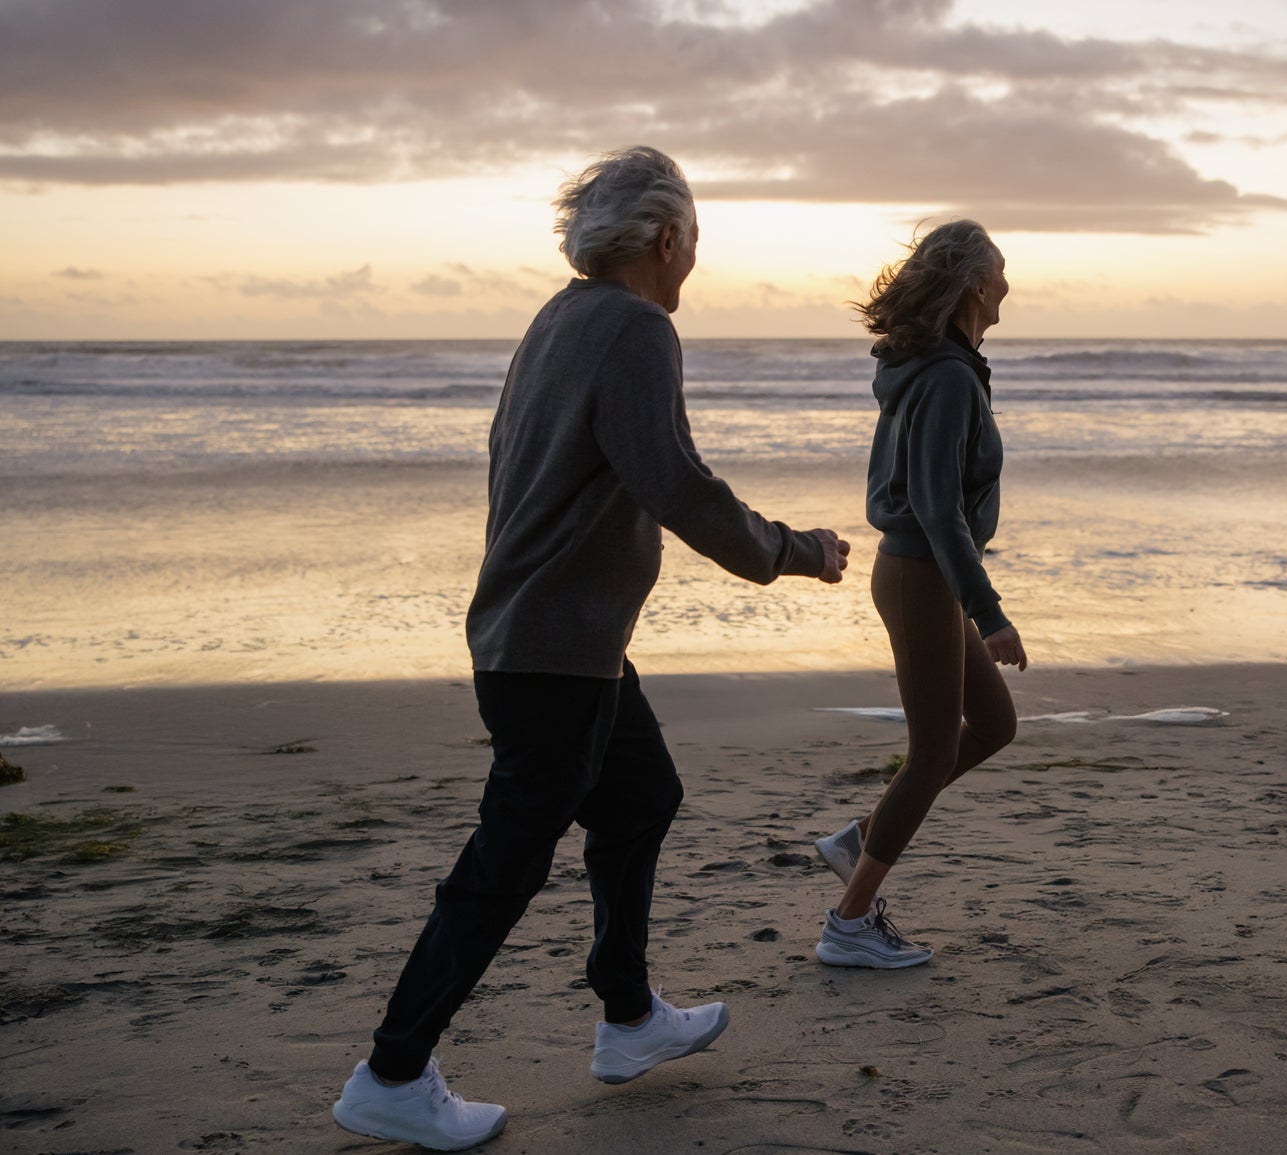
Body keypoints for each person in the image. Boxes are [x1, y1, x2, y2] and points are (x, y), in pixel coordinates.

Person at [332, 146, 850, 1150]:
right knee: (506, 861)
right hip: (552, 651)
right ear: (666, 240)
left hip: (559, 641)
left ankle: (627, 1017)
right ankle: (393, 1072)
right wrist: (792, 551)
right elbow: (677, 483)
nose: (692, 265)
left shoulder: (559, 318)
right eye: (693, 245)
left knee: (642, 796)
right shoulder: (634, 327)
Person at [811, 220, 1024, 970]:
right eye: (1000, 271)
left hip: (920, 571)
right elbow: (937, 507)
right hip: (920, 572)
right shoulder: (946, 377)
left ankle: (861, 837)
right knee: (932, 750)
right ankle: (850, 921)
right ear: (974, 285)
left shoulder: (939, 366)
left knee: (993, 722)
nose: (1008, 285)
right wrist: (989, 610)